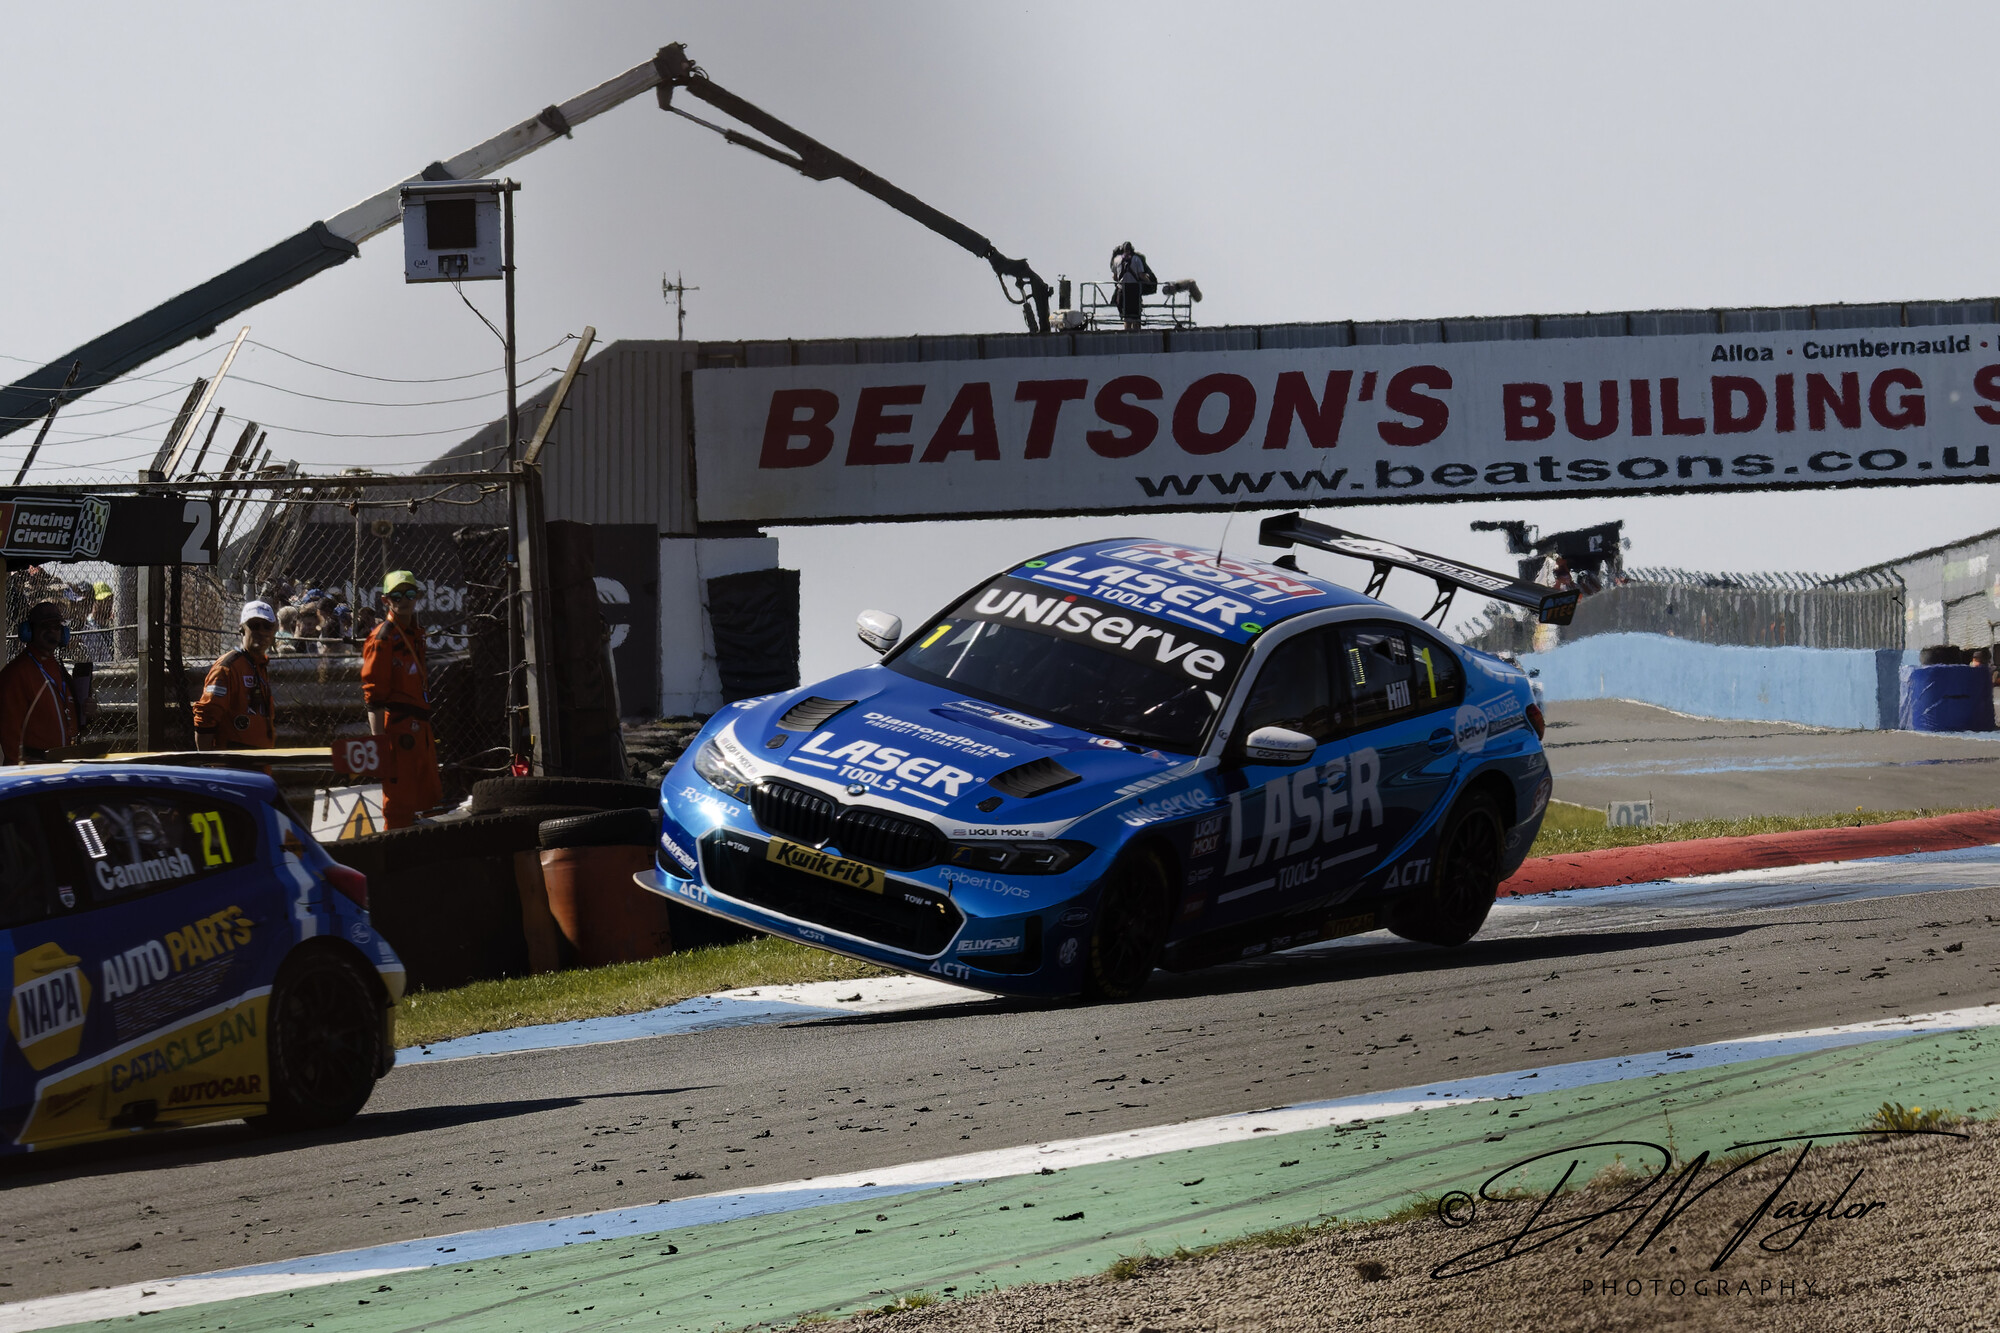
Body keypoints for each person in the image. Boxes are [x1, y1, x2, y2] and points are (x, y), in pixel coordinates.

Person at [361, 570, 443, 828]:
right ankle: (396, 845)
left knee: (423, 796)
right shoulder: (383, 637)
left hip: (420, 727)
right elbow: (373, 695)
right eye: (396, 595)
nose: (403, 600)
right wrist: (379, 744)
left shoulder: (414, 633)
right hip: (398, 730)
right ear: (385, 600)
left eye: (409, 593)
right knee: (399, 803)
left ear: (417, 596)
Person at [0, 600, 95, 764]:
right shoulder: (16, 673)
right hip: (34, 770)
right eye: (45, 626)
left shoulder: (58, 670)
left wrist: (88, 711)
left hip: (62, 764)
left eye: (56, 627)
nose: (52, 632)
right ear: (29, 631)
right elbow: (10, 735)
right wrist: (23, 771)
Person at [192, 601, 278, 752]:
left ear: (273, 632)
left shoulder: (260, 666)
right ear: (242, 629)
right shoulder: (227, 667)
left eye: (267, 626)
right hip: (234, 760)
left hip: (261, 757)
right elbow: (206, 716)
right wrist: (208, 760)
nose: (261, 632)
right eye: (254, 625)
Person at [1109, 241, 1156, 332]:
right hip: (1134, 291)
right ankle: (1136, 333)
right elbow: (1141, 275)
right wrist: (1150, 282)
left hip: (1122, 291)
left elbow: (1115, 277)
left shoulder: (1117, 260)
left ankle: (1127, 333)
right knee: (1136, 317)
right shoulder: (1136, 259)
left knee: (1126, 318)